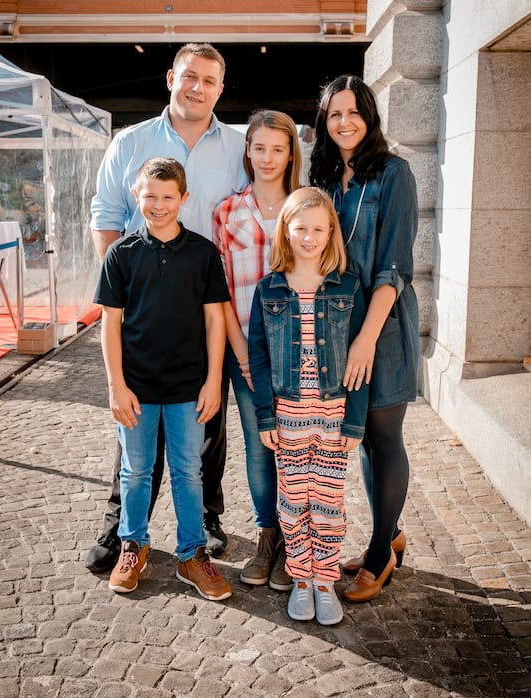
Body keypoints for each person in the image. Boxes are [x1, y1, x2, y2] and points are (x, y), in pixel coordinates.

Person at [86, 43, 247, 573]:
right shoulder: (131, 143)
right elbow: (107, 215)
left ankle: (206, 520)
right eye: (189, 76)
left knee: (206, 421)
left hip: (208, 308)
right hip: (145, 311)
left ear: (220, 89)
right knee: (134, 426)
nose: (197, 87)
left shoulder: (239, 147)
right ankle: (122, 532)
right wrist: (123, 295)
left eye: (209, 80)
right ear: (171, 78)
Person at [95, 157, 232, 600]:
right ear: (137, 196)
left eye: (167, 196)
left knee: (188, 472)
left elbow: (215, 322)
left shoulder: (202, 253)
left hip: (188, 388)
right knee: (136, 472)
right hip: (136, 386)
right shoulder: (121, 254)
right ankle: (133, 546)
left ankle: (192, 555)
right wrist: (116, 385)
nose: (158, 204)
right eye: (149, 196)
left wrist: (214, 381)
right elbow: (110, 324)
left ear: (183, 198)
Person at [309, 74, 419, 603]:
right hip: (338, 327)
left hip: (383, 326)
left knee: (384, 433)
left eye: (354, 112)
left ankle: (380, 555)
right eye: (335, 114)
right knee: (361, 438)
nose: (345, 122)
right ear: (324, 123)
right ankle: (389, 531)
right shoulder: (326, 178)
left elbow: (395, 266)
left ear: (369, 117)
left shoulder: (394, 174)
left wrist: (366, 339)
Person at [248, 187, 369, 625]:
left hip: (333, 415)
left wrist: (355, 422)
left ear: (331, 232)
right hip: (288, 416)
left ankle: (325, 580)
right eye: (300, 227)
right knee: (293, 501)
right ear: (285, 230)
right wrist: (265, 415)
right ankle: (300, 578)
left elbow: (361, 362)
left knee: (329, 503)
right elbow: (258, 359)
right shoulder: (269, 290)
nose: (309, 236)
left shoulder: (348, 288)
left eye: (319, 228)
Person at [213, 110, 301, 591]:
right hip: (247, 349)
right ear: (247, 150)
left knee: (297, 443)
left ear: (291, 154)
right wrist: (241, 350)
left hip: (300, 347)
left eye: (278, 148)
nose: (267, 158)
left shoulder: (307, 207)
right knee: (259, 443)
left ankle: (295, 540)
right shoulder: (227, 212)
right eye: (259, 147)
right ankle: (268, 537)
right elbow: (221, 292)